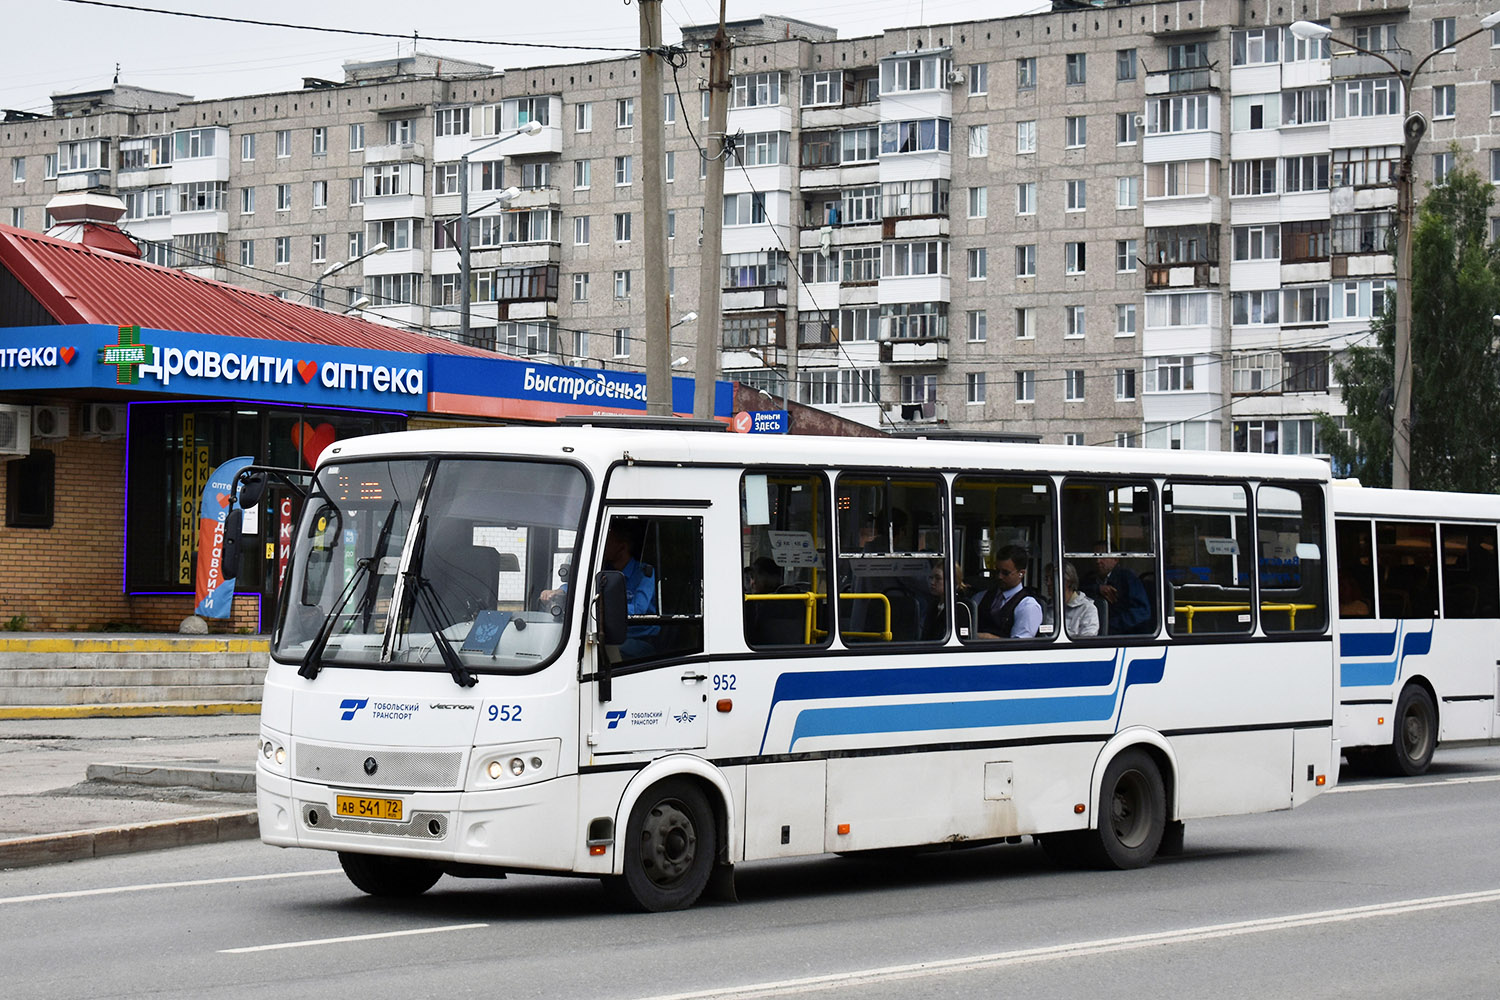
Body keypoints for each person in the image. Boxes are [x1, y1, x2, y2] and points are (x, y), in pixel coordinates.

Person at [974, 545, 1042, 639]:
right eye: (997, 571)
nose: (999, 576)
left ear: (1021, 573)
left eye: (1005, 573)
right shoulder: (980, 597)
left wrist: (986, 637)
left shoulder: (1028, 606)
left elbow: (1019, 646)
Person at [1091, 543, 1151, 635]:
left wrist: (1109, 626)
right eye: (1094, 556)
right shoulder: (1091, 578)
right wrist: (1097, 589)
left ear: (1115, 559)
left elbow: (1142, 612)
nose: (1097, 561)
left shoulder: (1127, 578)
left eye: (1102, 556)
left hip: (1122, 635)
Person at [1061, 561, 1099, 637]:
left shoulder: (1088, 608)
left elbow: (1087, 640)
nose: (1048, 583)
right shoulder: (1048, 608)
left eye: (1052, 579)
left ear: (1067, 581)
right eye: (1046, 579)